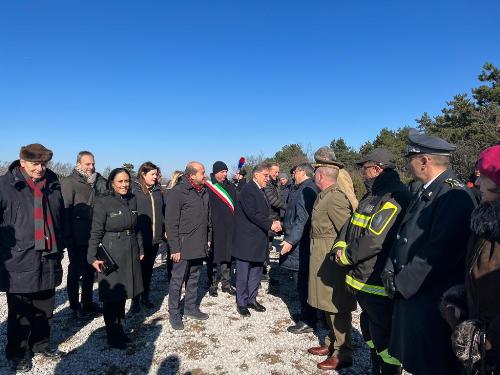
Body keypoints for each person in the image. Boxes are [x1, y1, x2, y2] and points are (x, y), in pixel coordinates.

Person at [382, 129, 477, 375]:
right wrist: (390, 269)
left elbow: (440, 252)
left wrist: (401, 284)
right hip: (415, 297)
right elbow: (404, 235)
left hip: (430, 300)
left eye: (409, 158)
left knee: (432, 365)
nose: (406, 163)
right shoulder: (425, 189)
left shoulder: (454, 195)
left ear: (424, 161)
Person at [333, 148, 412, 375]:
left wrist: (347, 256)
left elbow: (374, 240)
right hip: (362, 282)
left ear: (377, 169)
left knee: (384, 338)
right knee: (369, 332)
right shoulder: (371, 196)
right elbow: (350, 226)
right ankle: (374, 368)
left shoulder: (394, 196)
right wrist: (340, 247)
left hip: (377, 282)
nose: (362, 174)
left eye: (365, 169)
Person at [0, 144, 65, 372]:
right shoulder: (5, 187)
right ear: (22, 162)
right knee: (20, 311)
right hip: (18, 259)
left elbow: (60, 219)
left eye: (44, 163)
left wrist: (61, 247)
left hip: (48, 257)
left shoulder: (54, 186)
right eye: (35, 163)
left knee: (45, 307)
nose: (40, 168)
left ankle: (40, 345)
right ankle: (17, 352)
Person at [441, 145, 500, 374]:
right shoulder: (482, 222)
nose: (477, 184)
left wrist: (488, 338)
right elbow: (475, 275)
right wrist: (458, 301)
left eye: (484, 177)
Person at [307, 147, 357, 371]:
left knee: (337, 304)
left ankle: (343, 352)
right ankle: (331, 343)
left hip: (332, 259)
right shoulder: (324, 195)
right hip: (322, 255)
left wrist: (341, 258)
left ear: (319, 175)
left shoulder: (335, 197)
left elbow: (347, 231)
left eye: (315, 173)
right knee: (327, 302)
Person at [87, 168, 144, 349]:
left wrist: (140, 248)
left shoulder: (132, 199)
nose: (124, 184)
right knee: (112, 296)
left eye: (126, 181)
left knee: (123, 294)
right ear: (112, 182)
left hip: (129, 251)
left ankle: (121, 329)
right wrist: (92, 256)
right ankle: (113, 335)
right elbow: (95, 232)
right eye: (120, 181)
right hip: (111, 254)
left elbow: (137, 228)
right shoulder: (103, 202)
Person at [165, 162, 211, 330]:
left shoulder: (204, 191)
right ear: (191, 175)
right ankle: (174, 313)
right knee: (177, 281)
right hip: (183, 247)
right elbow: (170, 222)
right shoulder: (178, 192)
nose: (205, 175)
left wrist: (209, 238)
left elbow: (208, 218)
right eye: (202, 172)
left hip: (199, 244)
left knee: (194, 278)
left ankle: (191, 308)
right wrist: (174, 248)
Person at [61, 150, 107, 320]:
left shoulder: (94, 182)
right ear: (78, 164)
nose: (91, 167)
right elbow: (65, 212)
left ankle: (87, 302)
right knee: (75, 271)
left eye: (93, 163)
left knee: (89, 271)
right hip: (75, 237)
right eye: (88, 164)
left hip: (91, 236)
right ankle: (74, 306)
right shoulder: (69, 183)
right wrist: (68, 238)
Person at [232, 164, 281, 317]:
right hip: (246, 240)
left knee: (256, 272)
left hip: (259, 238)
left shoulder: (260, 190)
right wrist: (271, 224)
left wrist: (275, 221)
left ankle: (252, 299)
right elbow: (253, 214)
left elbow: (264, 212)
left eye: (268, 175)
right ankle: (241, 302)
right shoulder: (248, 190)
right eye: (265, 175)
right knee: (243, 274)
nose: (268, 178)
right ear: (256, 175)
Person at [279, 163, 319, 334]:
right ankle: (310, 314)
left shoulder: (305, 190)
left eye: (295, 171)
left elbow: (302, 220)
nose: (293, 174)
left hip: (300, 246)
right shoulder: (303, 188)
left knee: (302, 283)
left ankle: (308, 320)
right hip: (300, 242)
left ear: (302, 172)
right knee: (304, 282)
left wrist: (290, 241)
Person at [130, 162, 166, 312]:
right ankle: (135, 301)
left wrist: (164, 229)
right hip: (140, 239)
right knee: (137, 271)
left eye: (156, 174)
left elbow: (162, 213)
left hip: (155, 238)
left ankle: (145, 296)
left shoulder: (158, 191)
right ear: (143, 174)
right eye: (152, 174)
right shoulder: (134, 190)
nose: (155, 177)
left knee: (148, 270)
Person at [205, 161, 237, 297]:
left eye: (226, 172)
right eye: (222, 172)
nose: (225, 174)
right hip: (213, 227)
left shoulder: (229, 186)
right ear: (215, 172)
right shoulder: (208, 186)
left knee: (227, 256)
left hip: (228, 227)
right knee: (212, 258)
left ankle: (226, 283)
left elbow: (236, 201)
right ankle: (212, 284)